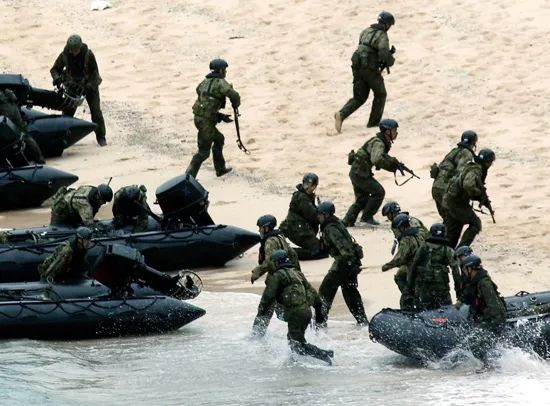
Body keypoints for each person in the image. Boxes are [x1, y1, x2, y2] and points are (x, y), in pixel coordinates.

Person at [253, 250, 334, 365]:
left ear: (276, 263)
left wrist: (261, 313)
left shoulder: (277, 276)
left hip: (295, 313)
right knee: (293, 341)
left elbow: (268, 297)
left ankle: (325, 355)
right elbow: (314, 295)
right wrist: (319, 314)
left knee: (297, 345)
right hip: (306, 312)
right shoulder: (297, 273)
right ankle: (293, 362)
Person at [334, 11, 395, 133]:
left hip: (357, 64)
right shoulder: (382, 35)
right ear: (387, 24)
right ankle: (373, 124)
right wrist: (390, 60)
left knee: (359, 97)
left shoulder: (366, 31)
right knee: (380, 94)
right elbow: (383, 53)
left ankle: (341, 114)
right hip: (370, 67)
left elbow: (364, 47)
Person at [316, 201, 368, 326]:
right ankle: (362, 320)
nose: (318, 216)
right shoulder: (335, 223)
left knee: (326, 290)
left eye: (320, 214)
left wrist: (347, 265)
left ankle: (319, 322)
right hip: (351, 262)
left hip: (345, 263)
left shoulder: (330, 228)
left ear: (326, 215)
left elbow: (344, 248)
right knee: (350, 291)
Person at [186, 58, 240, 178]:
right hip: (205, 122)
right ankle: (188, 177)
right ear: (220, 70)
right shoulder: (220, 82)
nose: (225, 72)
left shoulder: (204, 82)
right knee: (203, 152)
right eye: (224, 70)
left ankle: (220, 169)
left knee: (219, 139)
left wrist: (220, 116)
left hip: (200, 118)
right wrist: (236, 104)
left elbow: (201, 95)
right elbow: (233, 94)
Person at [342, 118, 402, 227]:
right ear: (387, 131)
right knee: (379, 192)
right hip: (360, 174)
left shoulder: (380, 141)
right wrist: (391, 165)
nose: (396, 133)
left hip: (357, 172)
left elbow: (381, 157)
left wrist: (394, 163)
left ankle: (347, 221)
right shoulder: (379, 143)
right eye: (394, 130)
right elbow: (377, 159)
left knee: (362, 199)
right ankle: (366, 217)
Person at [50, 34, 106, 146]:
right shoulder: (65, 55)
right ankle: (64, 137)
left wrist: (89, 86)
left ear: (80, 48)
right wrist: (57, 79)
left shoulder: (88, 55)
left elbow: (95, 74)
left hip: (89, 86)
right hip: (73, 87)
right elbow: (54, 69)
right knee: (67, 113)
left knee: (96, 112)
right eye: (72, 50)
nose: (74, 52)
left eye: (76, 50)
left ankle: (101, 137)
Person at [250, 214, 300, 336]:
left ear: (266, 228)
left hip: (276, 279)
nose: (259, 230)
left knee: (265, 308)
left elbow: (269, 262)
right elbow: (293, 255)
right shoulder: (280, 238)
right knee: (282, 309)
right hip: (287, 277)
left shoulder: (270, 241)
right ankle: (302, 325)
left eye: (260, 228)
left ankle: (256, 336)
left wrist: (257, 272)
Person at [442, 148, 496, 248]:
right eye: (490, 162)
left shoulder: (471, 166)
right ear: (487, 162)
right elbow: (468, 185)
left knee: (454, 230)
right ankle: (461, 251)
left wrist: (482, 199)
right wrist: (478, 194)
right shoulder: (476, 169)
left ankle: (448, 252)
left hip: (450, 200)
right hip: (456, 203)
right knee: (475, 224)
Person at [461, 255, 507, 361]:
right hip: (484, 317)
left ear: (470, 268)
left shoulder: (484, 283)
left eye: (465, 269)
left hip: (491, 319)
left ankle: (489, 364)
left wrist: (493, 326)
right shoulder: (476, 282)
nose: (464, 271)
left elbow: (496, 307)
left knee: (475, 344)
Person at [407, 223, 462, 310]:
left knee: (422, 311)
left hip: (423, 288)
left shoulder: (424, 246)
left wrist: (410, 286)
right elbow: (456, 272)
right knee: (446, 310)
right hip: (441, 289)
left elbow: (414, 264)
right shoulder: (447, 250)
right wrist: (458, 292)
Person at [431, 130, 477, 218]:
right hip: (446, 191)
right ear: (473, 143)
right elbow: (460, 173)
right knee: (463, 221)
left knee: (447, 219)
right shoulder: (467, 154)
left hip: (436, 188)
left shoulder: (453, 151)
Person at [381, 213, 423, 309]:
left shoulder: (406, 240)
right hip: (424, 266)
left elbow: (399, 258)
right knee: (400, 275)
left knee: (406, 299)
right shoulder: (419, 234)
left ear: (401, 228)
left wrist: (387, 266)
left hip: (415, 270)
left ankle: (410, 300)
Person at [279, 173, 325, 259]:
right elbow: (313, 216)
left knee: (321, 248)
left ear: (314, 186)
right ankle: (288, 253)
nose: (307, 187)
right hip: (298, 231)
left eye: (309, 184)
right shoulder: (302, 198)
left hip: (297, 229)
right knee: (318, 251)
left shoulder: (304, 196)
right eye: (306, 184)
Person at [0, 89, 45, 164]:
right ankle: (40, 160)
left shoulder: (4, 106)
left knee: (25, 138)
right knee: (27, 138)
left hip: (15, 126)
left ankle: (39, 161)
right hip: (18, 123)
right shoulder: (6, 99)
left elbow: (4, 120)